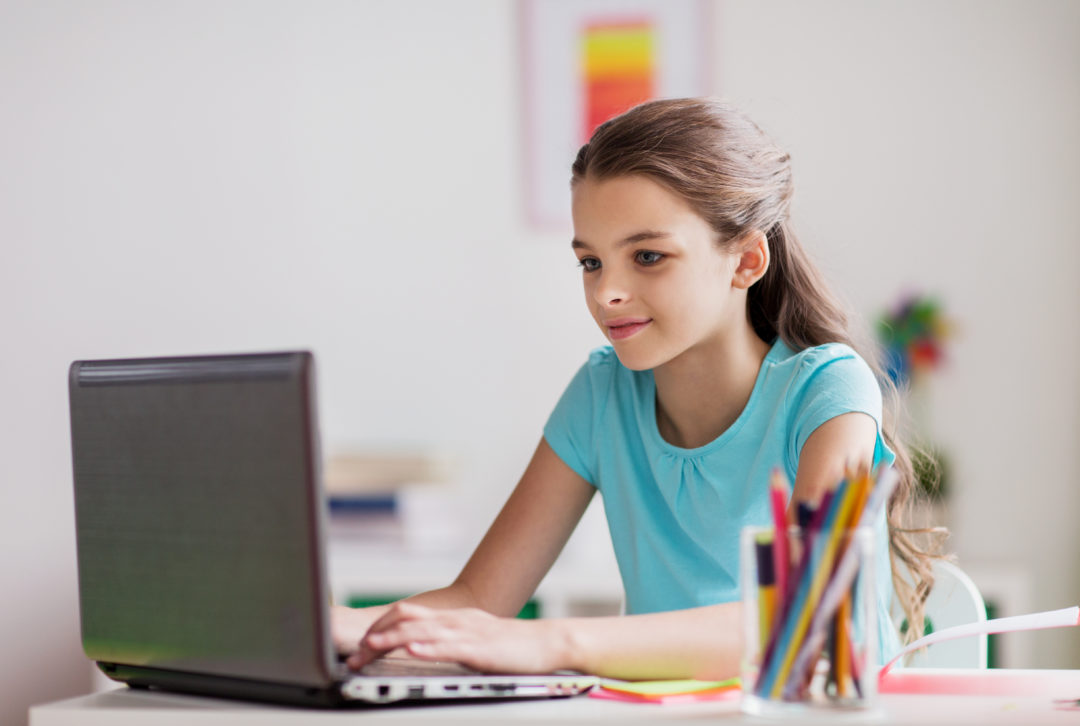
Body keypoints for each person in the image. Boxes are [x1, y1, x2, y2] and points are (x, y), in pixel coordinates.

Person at [331, 97, 937, 681]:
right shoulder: (602, 394)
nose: (605, 294)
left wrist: (553, 642)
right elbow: (477, 599)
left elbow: (808, 613)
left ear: (748, 262)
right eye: (590, 262)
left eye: (647, 256)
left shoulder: (828, 390)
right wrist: (328, 626)